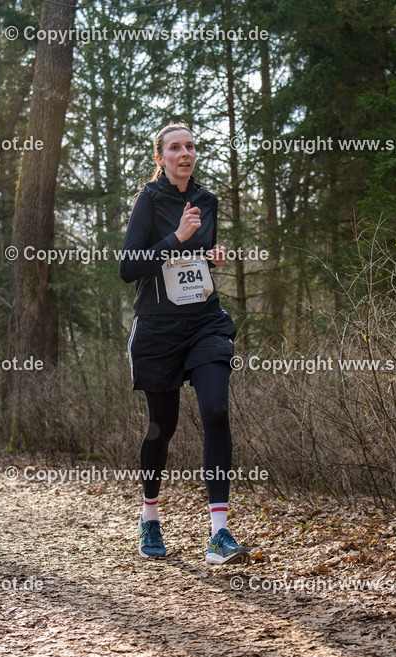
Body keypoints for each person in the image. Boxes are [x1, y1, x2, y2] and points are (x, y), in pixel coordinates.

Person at [120, 123, 249, 565]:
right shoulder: (148, 201)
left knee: (216, 410)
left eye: (190, 146)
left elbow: (199, 256)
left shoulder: (207, 200)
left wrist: (212, 257)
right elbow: (128, 267)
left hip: (204, 322)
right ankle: (150, 517)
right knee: (163, 426)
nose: (185, 153)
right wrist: (175, 238)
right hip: (159, 329)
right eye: (175, 147)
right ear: (160, 158)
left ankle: (219, 533)